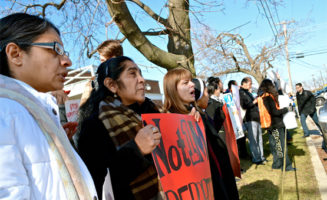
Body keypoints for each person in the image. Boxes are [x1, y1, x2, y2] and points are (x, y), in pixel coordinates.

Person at [0, 13, 97, 199]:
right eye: (56, 49)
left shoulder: (31, 112)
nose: (67, 61)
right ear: (15, 54)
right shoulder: (5, 112)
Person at [75, 56, 162, 199]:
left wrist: (189, 121)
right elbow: (97, 184)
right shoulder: (94, 126)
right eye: (132, 74)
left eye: (140, 74)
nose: (141, 79)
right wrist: (136, 149)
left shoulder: (151, 113)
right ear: (112, 85)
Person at [163, 69, 239, 200]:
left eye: (191, 81)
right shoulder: (168, 120)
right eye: (185, 82)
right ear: (172, 90)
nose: (192, 85)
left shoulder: (198, 114)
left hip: (218, 176)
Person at [258, 79, 295, 171]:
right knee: (281, 146)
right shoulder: (268, 97)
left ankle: (277, 164)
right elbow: (274, 112)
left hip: (270, 125)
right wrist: (286, 109)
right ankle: (286, 166)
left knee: (275, 146)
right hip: (275, 124)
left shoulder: (262, 96)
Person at [80, 39, 123, 106]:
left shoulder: (133, 78)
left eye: (109, 60)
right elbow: (83, 113)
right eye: (102, 61)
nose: (105, 64)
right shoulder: (92, 84)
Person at [239, 77, 266, 164]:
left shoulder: (248, 92)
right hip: (250, 118)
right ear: (244, 84)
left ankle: (261, 156)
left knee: (259, 139)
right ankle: (256, 158)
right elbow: (243, 106)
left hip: (256, 117)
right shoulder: (240, 93)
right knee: (253, 140)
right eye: (250, 84)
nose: (251, 86)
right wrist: (254, 102)